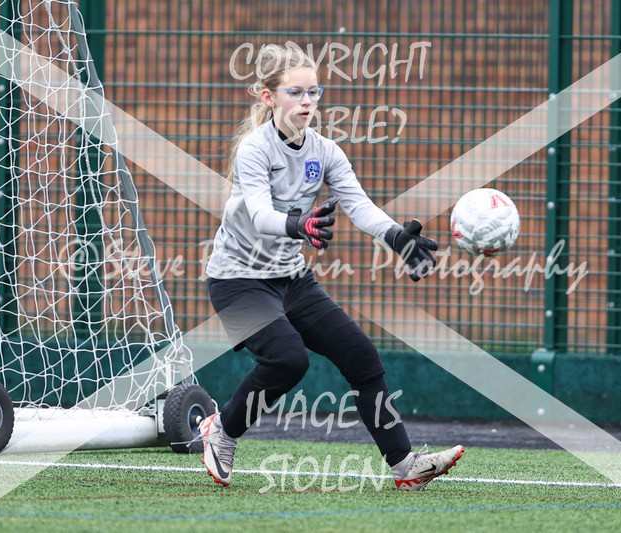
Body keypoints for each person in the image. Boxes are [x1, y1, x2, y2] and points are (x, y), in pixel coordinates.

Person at [197, 44, 463, 490]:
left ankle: (405, 466)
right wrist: (298, 223)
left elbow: (358, 205)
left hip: (291, 279)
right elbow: (260, 215)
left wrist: (397, 236)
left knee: (361, 356)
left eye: (314, 92)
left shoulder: (325, 151)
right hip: (238, 279)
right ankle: (222, 429)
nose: (307, 101)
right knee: (287, 359)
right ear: (268, 97)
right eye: (295, 92)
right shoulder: (254, 150)